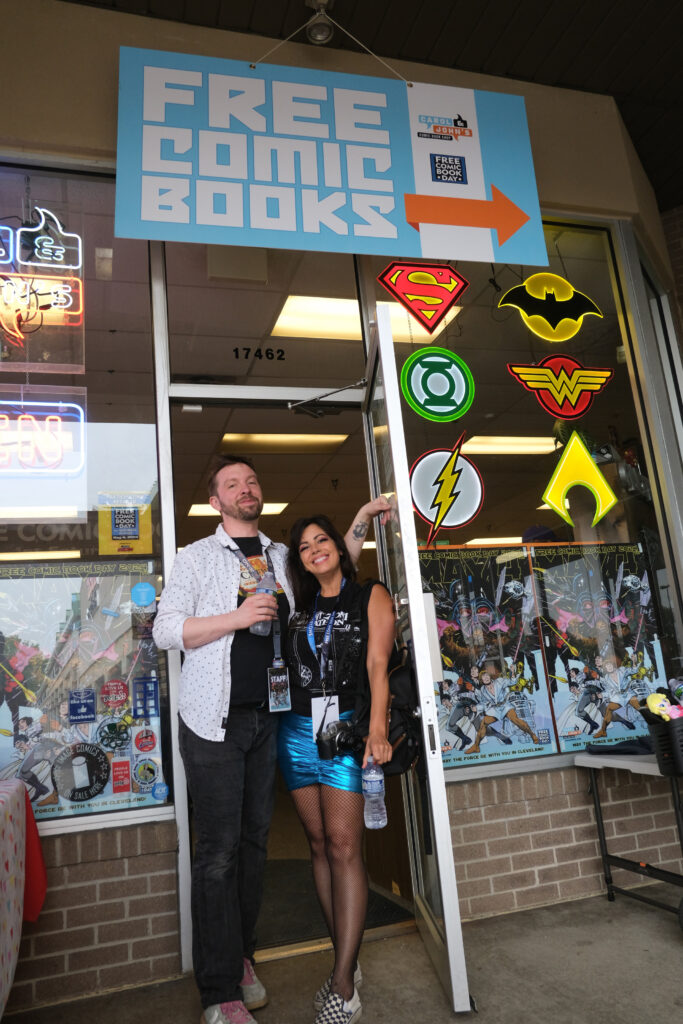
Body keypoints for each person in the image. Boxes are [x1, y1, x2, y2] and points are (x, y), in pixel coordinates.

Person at [152, 454, 389, 1024]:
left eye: (252, 481)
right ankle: (219, 993)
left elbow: (332, 566)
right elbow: (165, 630)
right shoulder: (196, 557)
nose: (246, 489)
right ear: (216, 501)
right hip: (213, 722)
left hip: (270, 721)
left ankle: (241, 959)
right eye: (233, 484)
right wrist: (234, 618)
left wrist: (360, 520)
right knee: (218, 852)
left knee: (255, 846)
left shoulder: (282, 556)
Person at [277, 515, 395, 1024]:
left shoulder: (369, 595)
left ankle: (343, 984)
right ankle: (347, 955)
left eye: (322, 540)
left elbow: (377, 666)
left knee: (345, 845)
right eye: (304, 547)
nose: (314, 550)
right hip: (296, 731)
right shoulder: (299, 607)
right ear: (299, 561)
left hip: (346, 728)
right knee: (319, 845)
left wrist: (377, 731)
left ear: (339, 547)